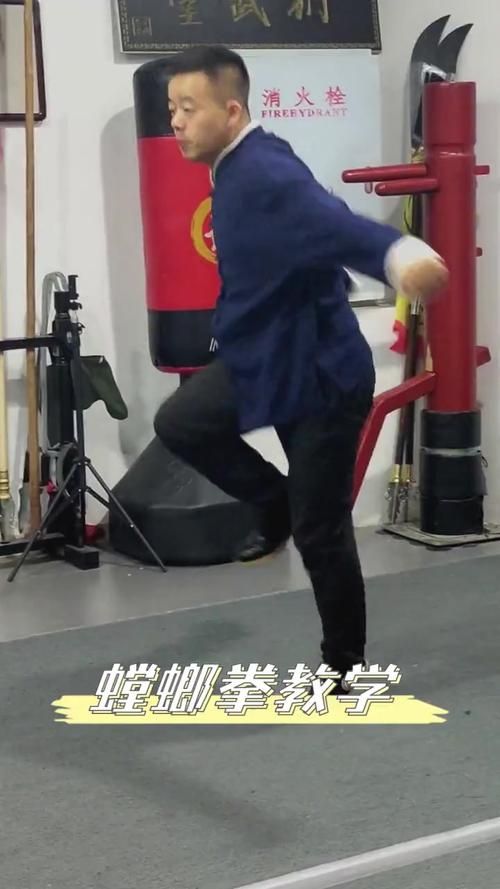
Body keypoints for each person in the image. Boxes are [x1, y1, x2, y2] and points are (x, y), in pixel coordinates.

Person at [153, 45, 449, 690]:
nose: (175, 121)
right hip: (268, 357)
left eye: (189, 108)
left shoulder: (262, 171)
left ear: (233, 112)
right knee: (182, 422)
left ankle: (344, 665)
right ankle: (274, 504)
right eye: (172, 108)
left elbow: (331, 221)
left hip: (320, 374)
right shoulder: (237, 166)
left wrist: (399, 254)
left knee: (321, 530)